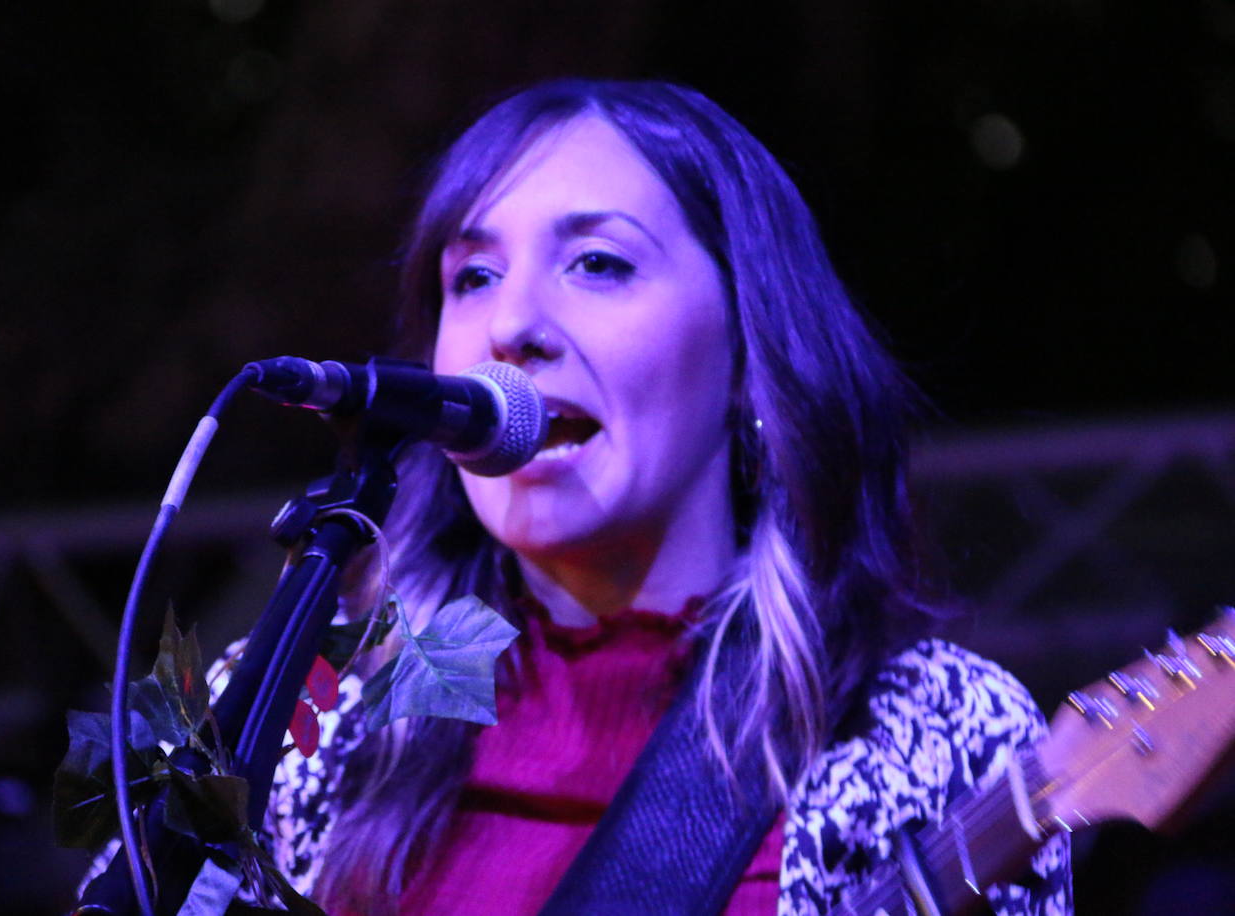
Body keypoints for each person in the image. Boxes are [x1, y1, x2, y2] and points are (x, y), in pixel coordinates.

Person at [211, 79, 1072, 915]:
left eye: (597, 263)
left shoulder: (928, 736)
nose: (511, 326)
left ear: (747, 351)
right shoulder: (298, 714)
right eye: (473, 277)